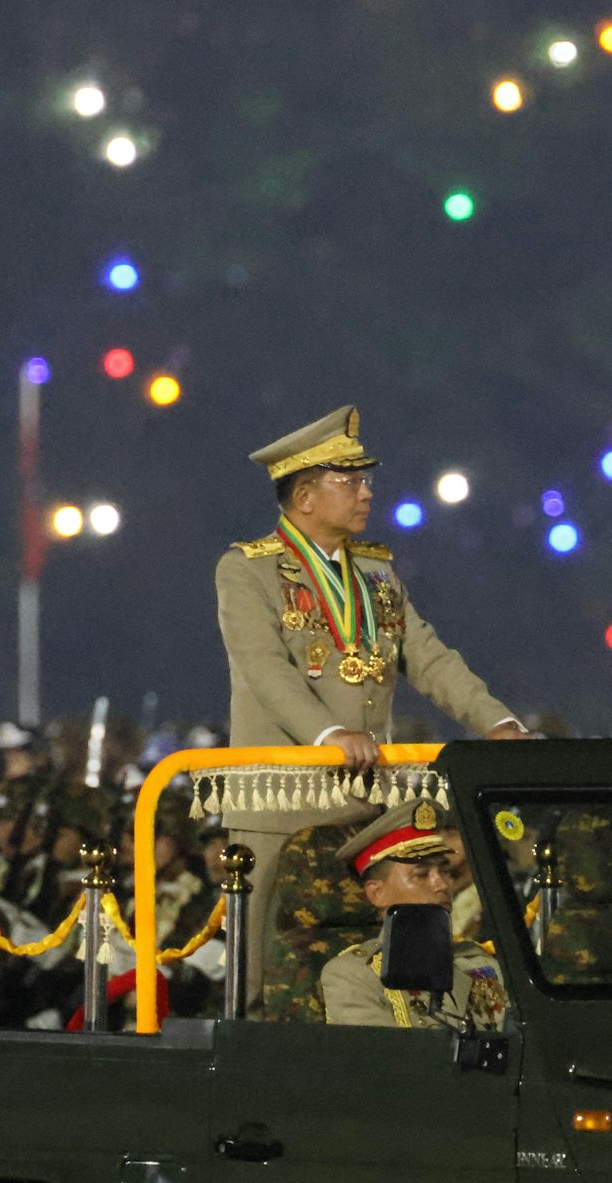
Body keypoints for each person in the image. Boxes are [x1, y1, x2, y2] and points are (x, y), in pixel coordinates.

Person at [215, 405, 528, 1000]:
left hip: (366, 805)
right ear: (304, 496)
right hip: (282, 801)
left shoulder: (376, 572)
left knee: (370, 964)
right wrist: (328, 735)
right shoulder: (246, 570)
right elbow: (264, 670)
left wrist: (497, 722)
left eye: (365, 480)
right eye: (351, 481)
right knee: (263, 976)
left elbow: (429, 657)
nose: (367, 493)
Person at [320, 800, 509, 1032]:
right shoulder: (354, 975)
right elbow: (381, 1054)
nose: (442, 885)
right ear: (377, 893)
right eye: (422, 874)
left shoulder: (479, 963)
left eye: (444, 871)